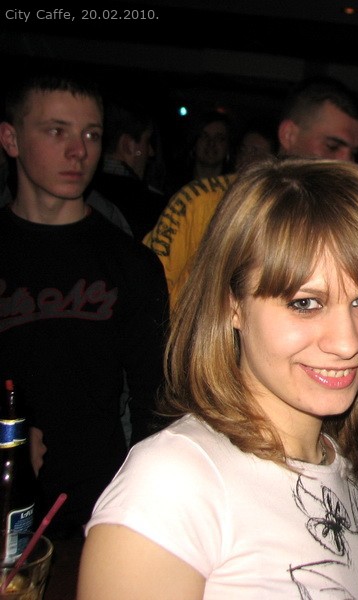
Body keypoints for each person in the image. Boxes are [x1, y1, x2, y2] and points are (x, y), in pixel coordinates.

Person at [77, 158, 358, 598]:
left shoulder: (344, 465)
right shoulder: (172, 482)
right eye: (305, 303)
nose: (346, 342)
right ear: (233, 305)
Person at [0, 68, 168, 562]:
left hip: (95, 514)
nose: (79, 151)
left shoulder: (131, 264)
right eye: (57, 131)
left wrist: (139, 505)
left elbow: (154, 403)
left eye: (91, 135)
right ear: (10, 139)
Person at [144, 76, 358, 307]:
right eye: (332, 146)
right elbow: (148, 294)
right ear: (289, 135)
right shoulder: (202, 203)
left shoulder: (346, 222)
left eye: (353, 152)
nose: (347, 162)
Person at [89, 98, 166, 241]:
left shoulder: (83, 194)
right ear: (128, 145)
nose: (151, 152)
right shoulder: (151, 206)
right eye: (147, 141)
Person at [165, 110, 234, 198]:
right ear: (194, 142)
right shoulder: (174, 185)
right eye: (204, 136)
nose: (211, 143)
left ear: (228, 146)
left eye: (219, 138)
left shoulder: (233, 189)